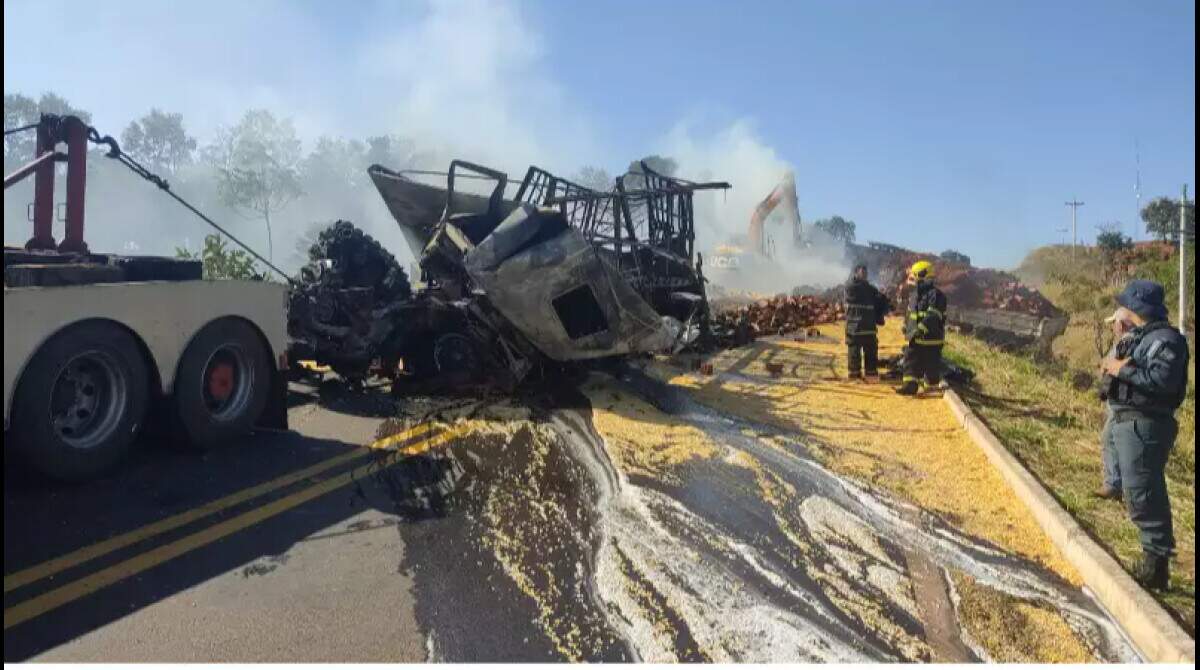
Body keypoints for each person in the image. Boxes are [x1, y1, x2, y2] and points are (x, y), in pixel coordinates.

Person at [1099, 279, 1190, 590]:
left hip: (1146, 424)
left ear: (1138, 307)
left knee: (1144, 492)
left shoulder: (1167, 340)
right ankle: (1153, 560)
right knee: (1138, 491)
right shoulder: (1142, 337)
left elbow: (1161, 381)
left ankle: (1155, 567)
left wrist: (1120, 369)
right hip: (1131, 422)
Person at [1095, 307, 1139, 501]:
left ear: (1120, 324)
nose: (1112, 327)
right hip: (1123, 400)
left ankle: (1114, 485)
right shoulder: (1135, 342)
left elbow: (1114, 369)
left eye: (1113, 323)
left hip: (1122, 402)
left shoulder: (1127, 343)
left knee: (1109, 439)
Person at [897, 260, 947, 396]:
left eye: (914, 275)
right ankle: (910, 385)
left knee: (931, 365)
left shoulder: (937, 295)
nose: (912, 279)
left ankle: (931, 388)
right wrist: (906, 326)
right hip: (916, 337)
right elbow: (910, 314)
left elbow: (933, 315)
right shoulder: (915, 295)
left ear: (922, 274)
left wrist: (921, 328)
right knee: (910, 360)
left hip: (932, 339)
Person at [843, 263, 889, 381]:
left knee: (871, 351)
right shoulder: (851, 288)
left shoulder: (869, 289)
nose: (864, 273)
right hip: (855, 327)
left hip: (868, 326)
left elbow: (880, 301)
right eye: (862, 271)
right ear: (856, 272)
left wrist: (883, 298)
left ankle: (871, 374)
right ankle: (855, 375)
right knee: (854, 351)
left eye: (865, 271)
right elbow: (861, 294)